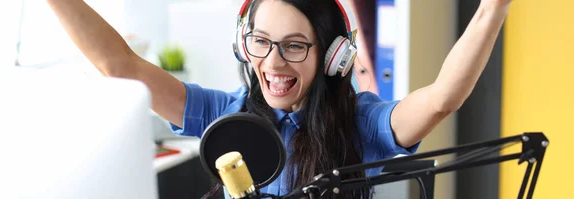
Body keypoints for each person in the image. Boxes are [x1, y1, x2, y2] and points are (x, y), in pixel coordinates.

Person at [46, 0, 513, 198]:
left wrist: (493, 7)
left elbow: (440, 100)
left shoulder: (362, 121)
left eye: (294, 45)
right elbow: (120, 67)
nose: (272, 63)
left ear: (333, 56)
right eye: (261, 42)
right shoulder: (222, 113)